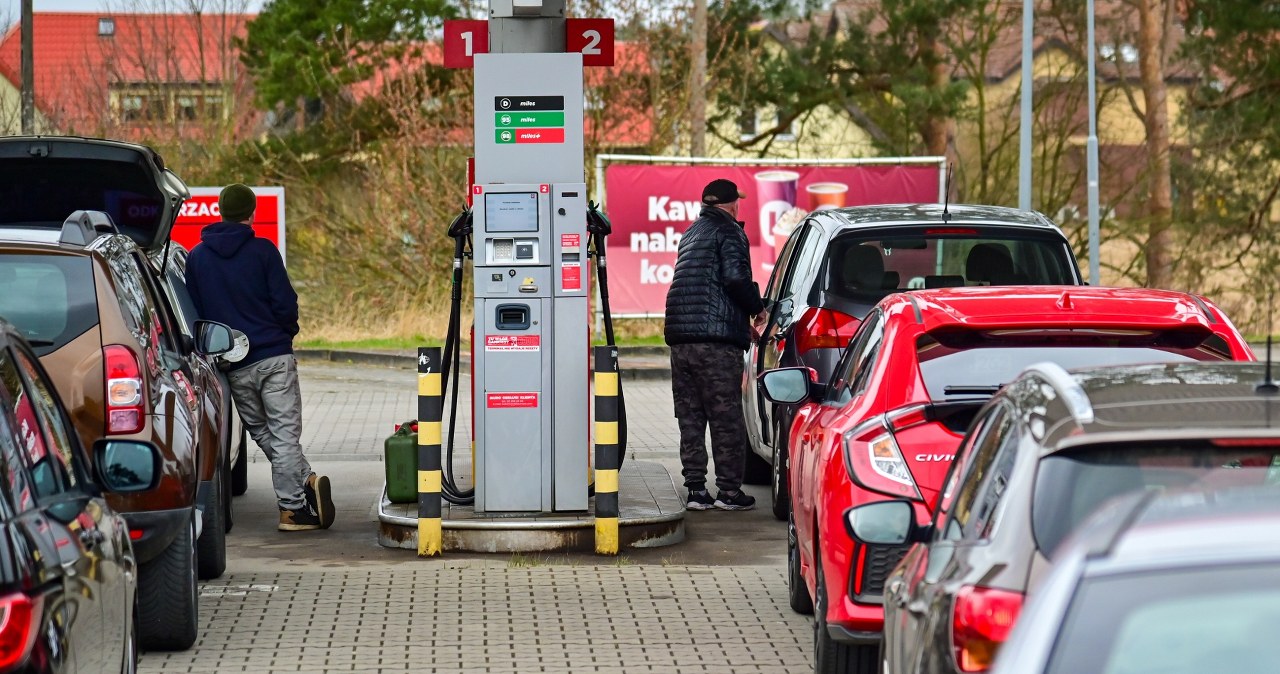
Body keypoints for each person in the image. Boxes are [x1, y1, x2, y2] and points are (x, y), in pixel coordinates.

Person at [184, 184, 335, 532]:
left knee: (265, 434)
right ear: (251, 213)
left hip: (233, 364)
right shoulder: (263, 251)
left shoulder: (196, 258)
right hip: (273, 358)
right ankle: (292, 509)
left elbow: (197, 313)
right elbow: (285, 302)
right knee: (283, 435)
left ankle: (306, 479)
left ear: (220, 212)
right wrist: (285, 334)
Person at [664, 178, 767, 511]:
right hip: (716, 345)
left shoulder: (691, 233)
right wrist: (757, 309)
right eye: (737, 201)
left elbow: (707, 287)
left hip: (682, 340)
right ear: (731, 204)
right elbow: (735, 279)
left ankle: (695, 490)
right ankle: (728, 492)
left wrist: (737, 323)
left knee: (691, 418)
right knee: (726, 419)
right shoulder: (731, 232)